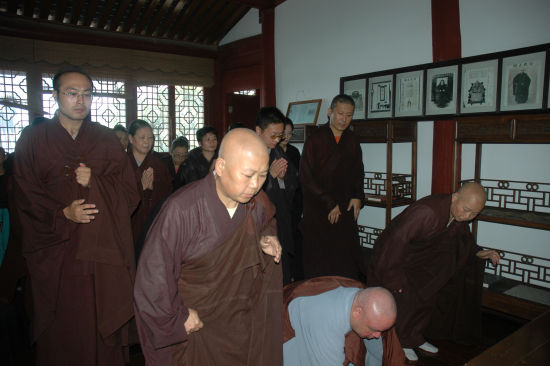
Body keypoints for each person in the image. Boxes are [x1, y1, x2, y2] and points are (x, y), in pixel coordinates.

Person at [13, 67, 139, 365]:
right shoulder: (33, 139)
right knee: (64, 329)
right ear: (55, 95)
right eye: (72, 93)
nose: (80, 100)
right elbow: (24, 194)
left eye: (86, 94)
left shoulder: (106, 140)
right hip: (56, 253)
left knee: (100, 323)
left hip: (100, 253)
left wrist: (95, 183)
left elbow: (129, 193)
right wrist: (62, 213)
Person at [134, 128, 283, 365]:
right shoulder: (181, 209)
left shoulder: (255, 202)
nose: (255, 185)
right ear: (220, 167)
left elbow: (268, 220)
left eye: (262, 175)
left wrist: (268, 236)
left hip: (238, 320)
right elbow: (153, 277)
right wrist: (177, 316)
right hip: (197, 324)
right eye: (247, 175)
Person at [367, 182, 501, 361]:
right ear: (455, 197)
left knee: (427, 300)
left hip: (423, 264)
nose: (468, 216)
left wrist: (477, 251)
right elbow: (394, 241)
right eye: (466, 209)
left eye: (474, 214)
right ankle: (402, 341)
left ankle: (415, 336)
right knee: (405, 302)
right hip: (400, 263)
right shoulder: (426, 212)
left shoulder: (456, 213)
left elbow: (463, 238)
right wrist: (393, 278)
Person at [300, 94, 365, 280]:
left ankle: (346, 293)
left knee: (345, 255)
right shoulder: (315, 140)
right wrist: (328, 202)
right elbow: (306, 178)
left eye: (349, 115)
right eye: (340, 113)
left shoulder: (352, 140)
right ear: (330, 112)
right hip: (319, 208)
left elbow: (358, 171)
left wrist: (357, 196)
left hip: (345, 206)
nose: (344, 119)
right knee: (320, 257)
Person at [283, 276, 405, 366]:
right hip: (284, 338)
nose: (378, 335)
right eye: (374, 330)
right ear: (357, 312)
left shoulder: (364, 298)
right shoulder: (326, 319)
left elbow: (383, 352)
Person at [256, 107, 298, 285]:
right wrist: (269, 177)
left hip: (279, 218)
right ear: (258, 130)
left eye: (279, 136)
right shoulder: (248, 153)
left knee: (283, 273)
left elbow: (292, 183)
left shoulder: (278, 152)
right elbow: (245, 192)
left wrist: (281, 179)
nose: (277, 140)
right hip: (258, 224)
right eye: (273, 135)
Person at [127, 119, 172, 258]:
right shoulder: (122, 163)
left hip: (152, 224)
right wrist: (141, 188)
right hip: (128, 225)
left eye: (150, 138)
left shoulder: (159, 165)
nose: (147, 141)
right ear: (131, 138)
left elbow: (168, 198)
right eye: (142, 137)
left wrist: (151, 190)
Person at [279, 118, 304, 281]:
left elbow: (299, 176)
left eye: (290, 133)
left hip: (295, 199)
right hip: (281, 200)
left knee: (295, 235)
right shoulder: (273, 151)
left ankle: (296, 274)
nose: (287, 137)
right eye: (284, 133)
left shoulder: (294, 151)